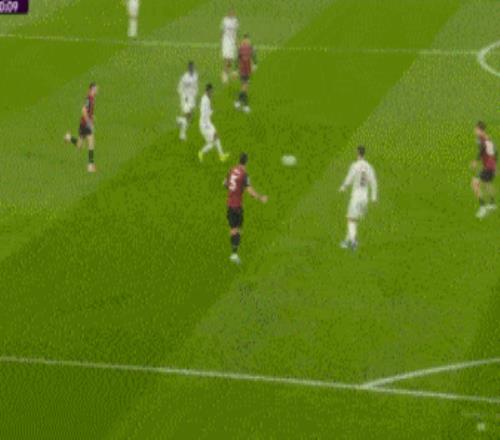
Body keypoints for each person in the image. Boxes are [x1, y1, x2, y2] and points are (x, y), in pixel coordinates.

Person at [224, 153, 268, 264]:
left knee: (233, 229)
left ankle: (234, 252)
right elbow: (250, 191)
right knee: (238, 230)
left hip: (229, 205)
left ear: (239, 160)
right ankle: (234, 254)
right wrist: (260, 197)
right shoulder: (244, 174)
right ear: (246, 162)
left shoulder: (231, 170)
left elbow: (225, 184)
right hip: (237, 206)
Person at [339, 146, 377, 249]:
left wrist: (343, 187)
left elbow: (349, 178)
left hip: (356, 196)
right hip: (364, 197)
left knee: (351, 219)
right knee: (354, 219)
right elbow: (373, 182)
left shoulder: (355, 165)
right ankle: (348, 241)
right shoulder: (369, 166)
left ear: (357, 153)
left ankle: (353, 242)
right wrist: (373, 197)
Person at [64, 82, 98, 173]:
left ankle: (68, 137)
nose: (96, 91)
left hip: (83, 124)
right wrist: (89, 123)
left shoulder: (92, 98)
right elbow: (83, 110)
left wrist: (92, 116)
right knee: (91, 142)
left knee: (80, 145)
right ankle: (90, 166)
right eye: (95, 89)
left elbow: (88, 111)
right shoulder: (89, 99)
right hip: (85, 125)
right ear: (91, 89)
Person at [198, 84, 229, 162]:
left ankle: (202, 153)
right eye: (211, 91)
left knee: (212, 143)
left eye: (212, 91)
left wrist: (211, 110)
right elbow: (205, 113)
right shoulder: (205, 101)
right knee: (215, 138)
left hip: (208, 122)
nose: (212, 93)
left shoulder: (206, 98)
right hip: (205, 124)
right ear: (207, 91)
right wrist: (211, 111)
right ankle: (221, 156)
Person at [471, 121, 497, 219]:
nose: (475, 131)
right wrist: (495, 166)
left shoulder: (483, 139)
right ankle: (492, 204)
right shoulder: (487, 138)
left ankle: (483, 207)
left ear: (480, 130)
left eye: (476, 129)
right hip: (491, 166)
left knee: (474, 184)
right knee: (487, 184)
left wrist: (476, 161)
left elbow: (482, 149)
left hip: (488, 167)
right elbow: (495, 152)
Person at [234, 34, 257, 113]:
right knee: (245, 88)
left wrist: (255, 64)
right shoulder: (241, 48)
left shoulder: (250, 47)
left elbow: (254, 56)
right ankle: (245, 106)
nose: (247, 41)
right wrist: (236, 70)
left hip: (248, 70)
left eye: (248, 40)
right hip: (242, 70)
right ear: (244, 40)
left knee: (244, 88)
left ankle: (238, 102)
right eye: (246, 40)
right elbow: (237, 59)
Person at [176, 61, 198, 141]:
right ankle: (182, 134)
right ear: (188, 68)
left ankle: (179, 120)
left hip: (192, 97)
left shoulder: (195, 75)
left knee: (189, 117)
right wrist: (183, 97)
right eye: (190, 67)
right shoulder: (185, 77)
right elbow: (180, 87)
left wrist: (195, 95)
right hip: (186, 98)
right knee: (188, 115)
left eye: (193, 67)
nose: (192, 68)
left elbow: (195, 86)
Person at [220, 9, 239, 84]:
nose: (232, 14)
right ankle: (225, 75)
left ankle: (226, 73)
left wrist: (237, 41)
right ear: (228, 13)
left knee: (230, 60)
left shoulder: (235, 21)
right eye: (230, 13)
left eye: (233, 13)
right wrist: (222, 40)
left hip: (232, 41)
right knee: (227, 58)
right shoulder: (224, 20)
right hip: (226, 41)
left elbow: (236, 32)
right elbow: (222, 30)